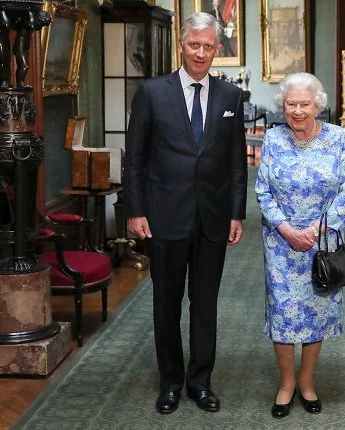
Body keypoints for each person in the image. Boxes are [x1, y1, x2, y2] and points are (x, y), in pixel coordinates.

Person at [124, 12, 247, 415]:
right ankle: (171, 383)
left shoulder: (230, 97)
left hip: (212, 218)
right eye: (194, 44)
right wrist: (135, 210)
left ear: (216, 49)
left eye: (208, 46)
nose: (200, 52)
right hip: (164, 216)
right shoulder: (152, 93)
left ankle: (201, 381)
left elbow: (235, 164)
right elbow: (136, 159)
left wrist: (236, 213)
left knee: (205, 304)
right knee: (167, 303)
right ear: (182, 45)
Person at [255, 73, 345, 419]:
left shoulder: (338, 138)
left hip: (321, 241)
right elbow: (262, 191)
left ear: (318, 105)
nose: (297, 111)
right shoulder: (272, 139)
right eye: (291, 104)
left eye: (304, 104)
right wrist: (285, 229)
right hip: (280, 241)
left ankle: (307, 382)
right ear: (283, 105)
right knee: (282, 311)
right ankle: (286, 384)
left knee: (317, 309)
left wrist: (316, 230)